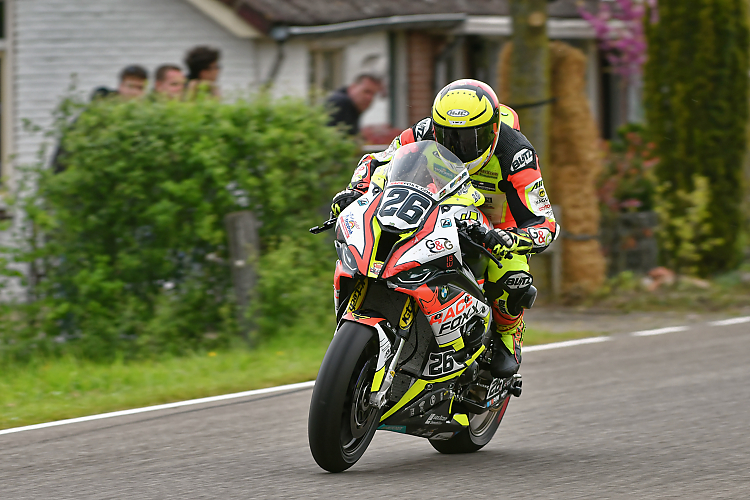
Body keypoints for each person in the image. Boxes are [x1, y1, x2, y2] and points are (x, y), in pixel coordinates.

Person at [330, 79, 560, 379]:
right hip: (438, 206)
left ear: (492, 130)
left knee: (511, 279)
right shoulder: (423, 131)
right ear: (436, 127)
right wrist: (355, 190)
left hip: (496, 224)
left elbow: (544, 222)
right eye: (449, 137)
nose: (460, 147)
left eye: (471, 138)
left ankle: (508, 334)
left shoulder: (515, 153)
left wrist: (511, 238)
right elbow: (378, 160)